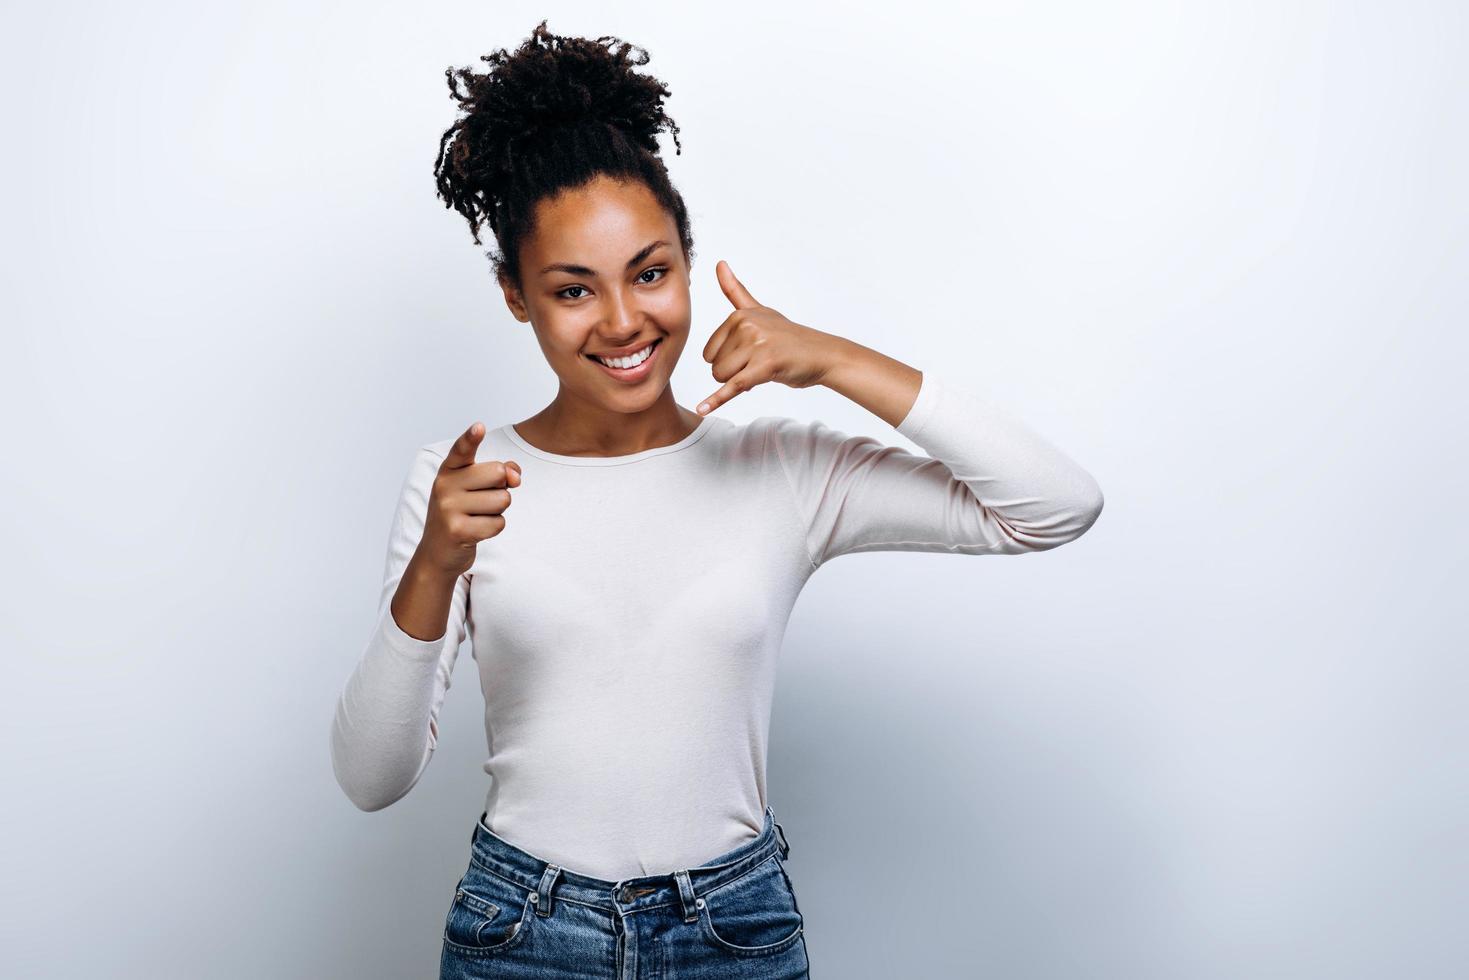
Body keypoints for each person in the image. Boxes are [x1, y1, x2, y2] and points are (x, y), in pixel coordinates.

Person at [329, 19, 1104, 979]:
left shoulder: (780, 469)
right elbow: (371, 780)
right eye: (573, 290)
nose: (622, 321)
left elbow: (1054, 506)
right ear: (515, 295)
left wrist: (833, 360)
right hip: (520, 935)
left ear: (686, 264)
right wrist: (437, 564)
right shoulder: (464, 485)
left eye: (649, 274)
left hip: (731, 933)